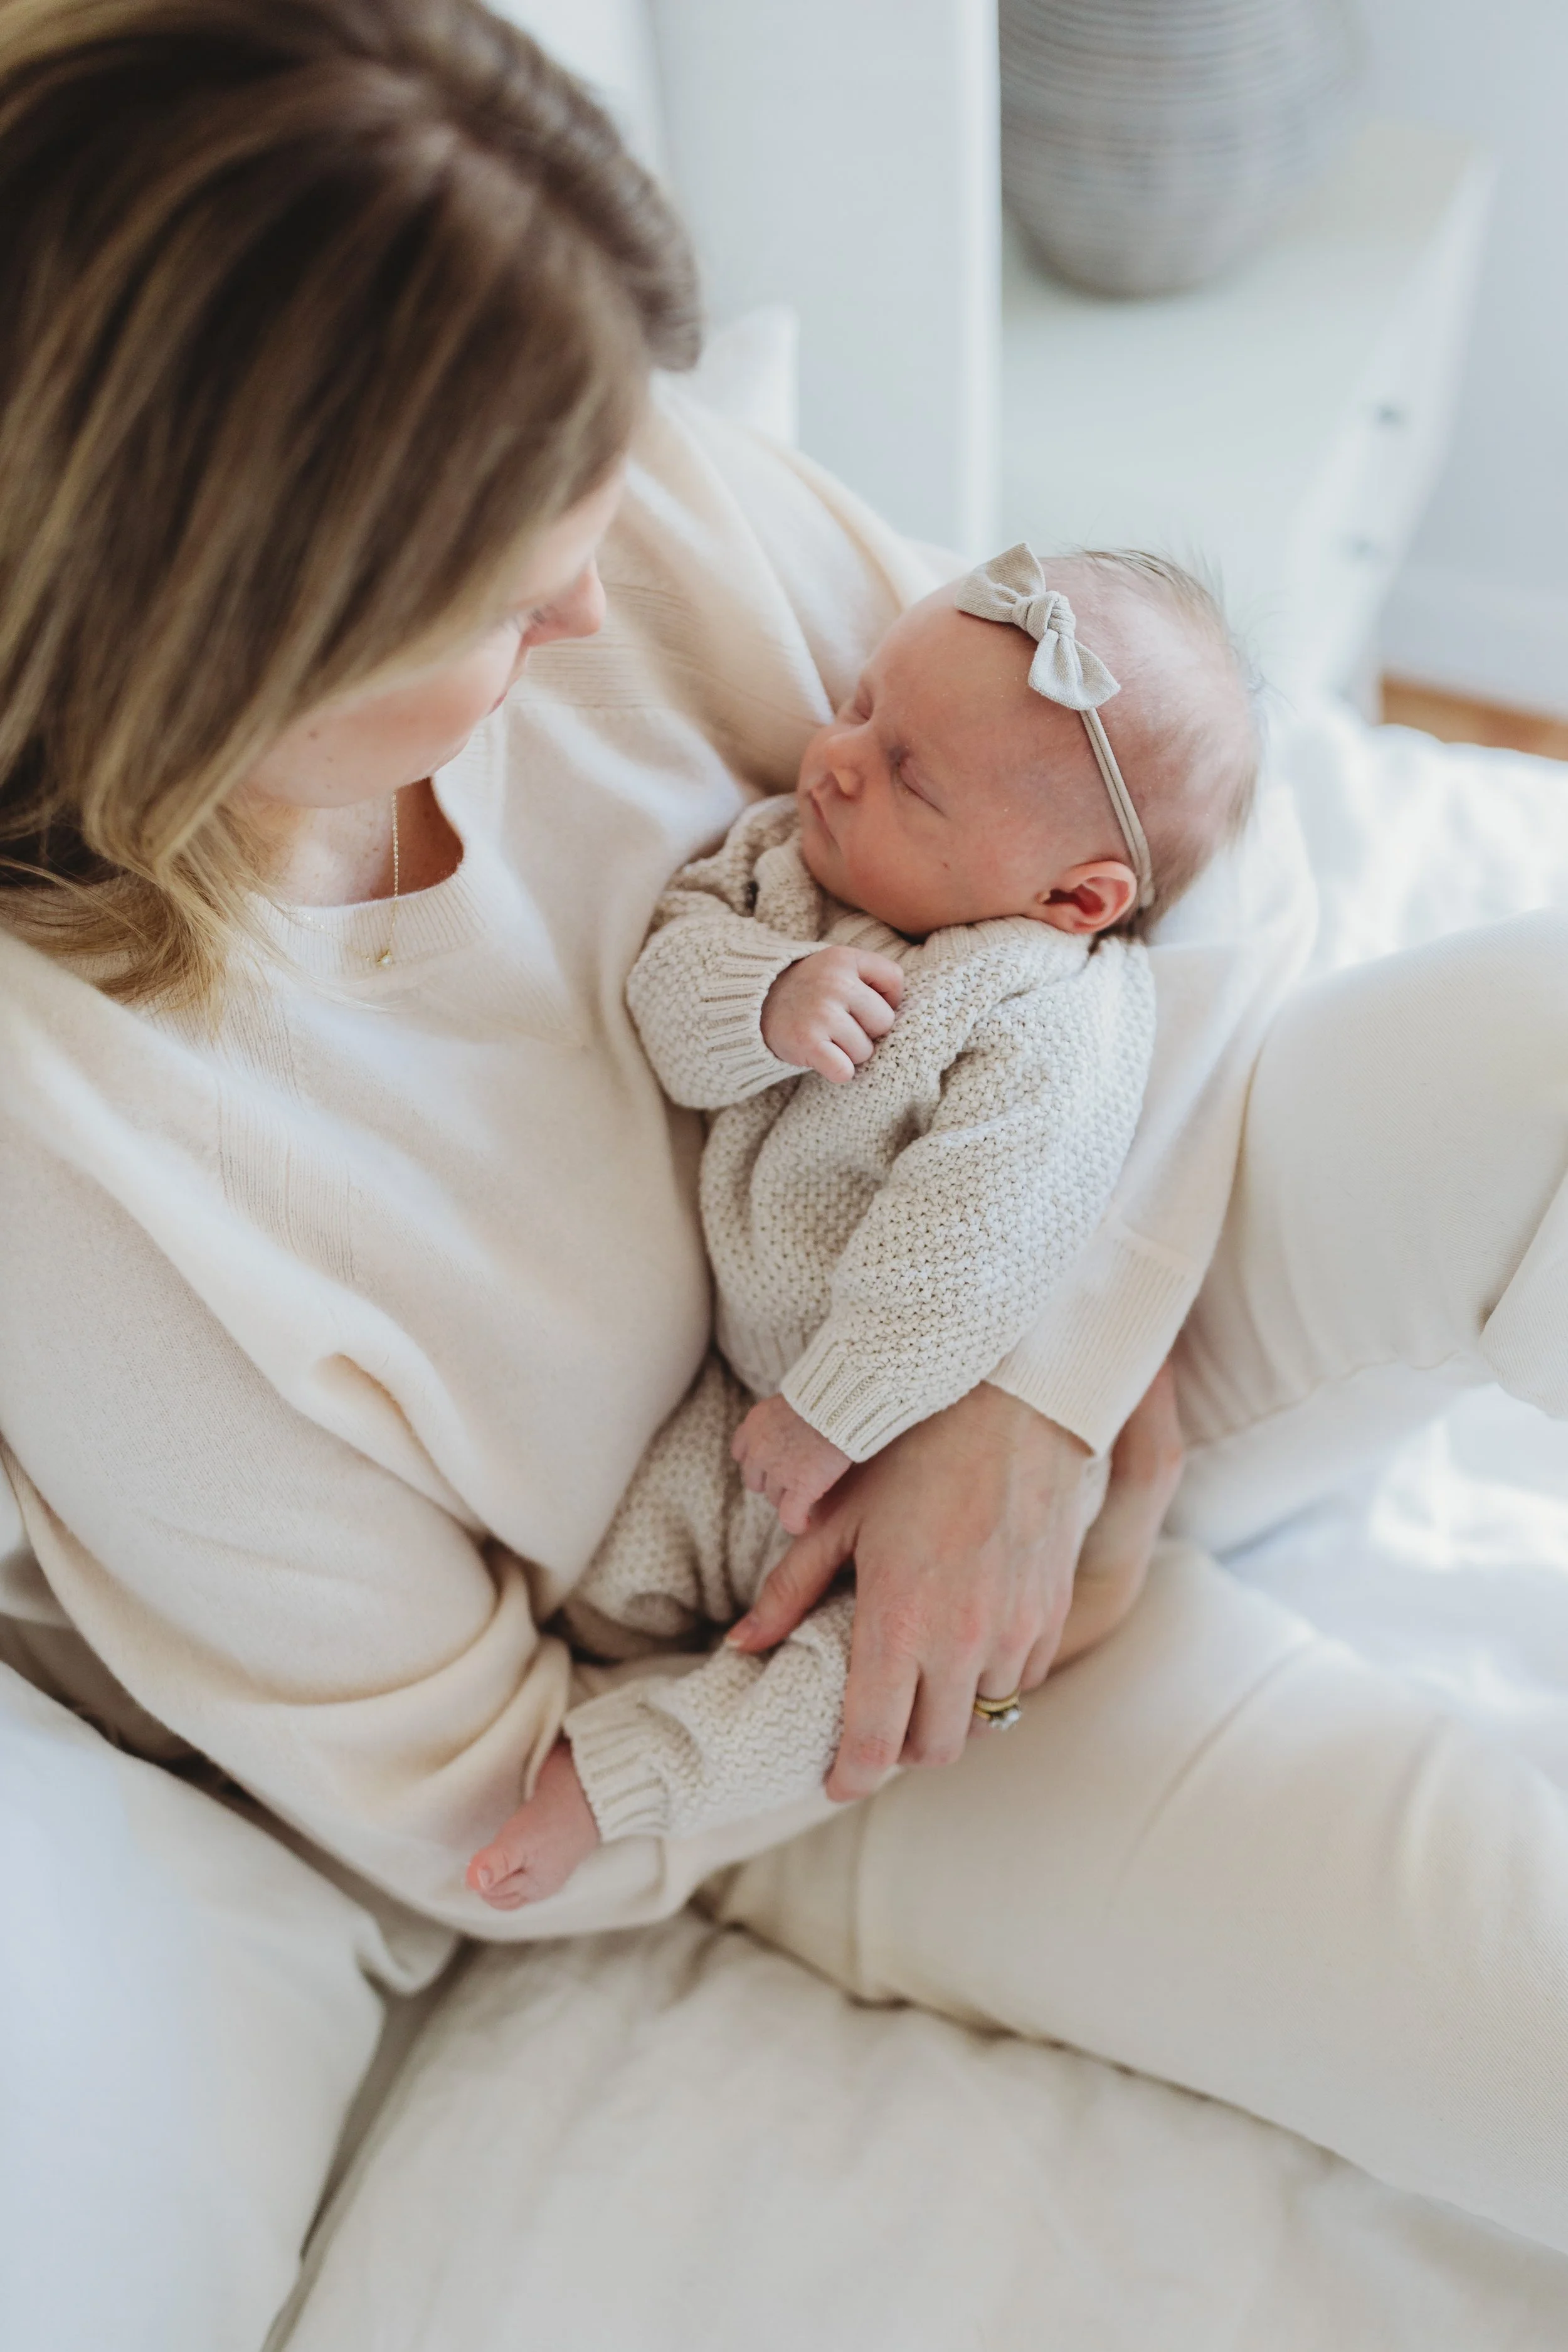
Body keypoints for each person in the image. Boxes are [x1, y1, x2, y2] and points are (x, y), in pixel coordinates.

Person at [1, 7, 1565, 2349]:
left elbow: (1177, 832)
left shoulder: (593, 465)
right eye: (502, 599)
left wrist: (1033, 1394)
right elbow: (475, 1806)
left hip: (1080, 1266)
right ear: (243, 638)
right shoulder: (81, 1152)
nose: (587, 601)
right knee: (1502, 1973)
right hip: (803, 1696)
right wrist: (1003, 1609)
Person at [469, 544, 1258, 1900]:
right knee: (612, 1557)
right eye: (858, 704)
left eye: (910, 777)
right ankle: (585, 1660)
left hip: (911, 1425)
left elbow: (974, 1238)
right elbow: (666, 985)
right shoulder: (782, 866)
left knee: (854, 1672)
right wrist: (765, 1000)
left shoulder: (1043, 1010)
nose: (836, 762)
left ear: (1072, 898)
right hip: (746, 1398)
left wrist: (843, 1407)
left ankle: (622, 1781)